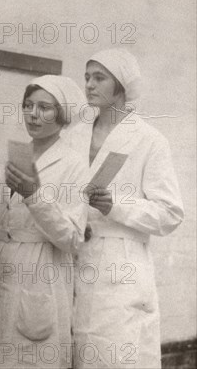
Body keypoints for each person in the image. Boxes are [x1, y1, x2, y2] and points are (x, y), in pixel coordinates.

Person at [73, 49, 184, 368]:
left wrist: (116, 205)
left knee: (118, 356)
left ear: (121, 86)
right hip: (77, 259)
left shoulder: (149, 140)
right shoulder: (77, 135)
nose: (89, 85)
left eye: (99, 77)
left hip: (123, 268)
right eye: (87, 77)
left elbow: (170, 213)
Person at [0, 75, 89, 368]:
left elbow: (73, 238)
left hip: (43, 270)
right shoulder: (19, 153)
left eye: (44, 107)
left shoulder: (74, 164)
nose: (33, 114)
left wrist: (34, 195)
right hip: (5, 268)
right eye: (28, 105)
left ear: (63, 114)